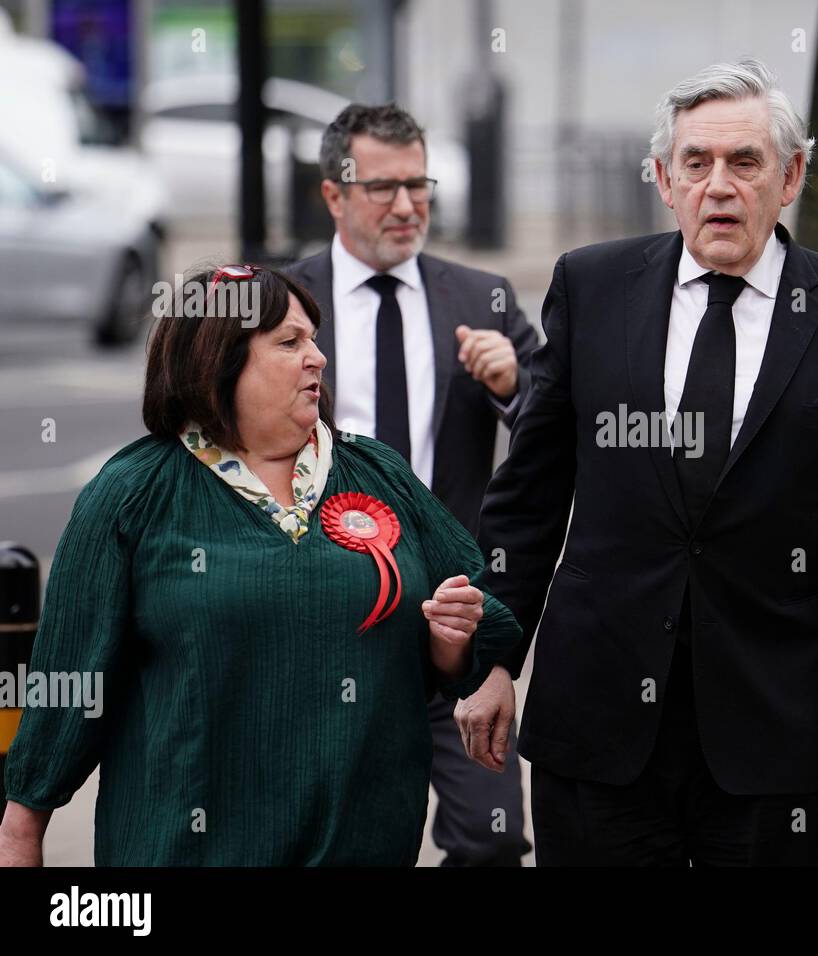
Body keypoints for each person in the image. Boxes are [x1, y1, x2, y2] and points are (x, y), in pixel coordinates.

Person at [460, 58, 818, 866]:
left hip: (771, 730)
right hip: (598, 723)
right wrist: (494, 659)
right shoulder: (591, 287)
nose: (719, 186)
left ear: (792, 176)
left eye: (745, 163)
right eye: (695, 164)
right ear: (663, 180)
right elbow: (529, 498)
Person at [0, 265, 520, 866]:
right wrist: (22, 828)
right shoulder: (133, 493)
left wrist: (457, 643)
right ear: (219, 360)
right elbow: (70, 676)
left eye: (315, 339)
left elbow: (474, 622)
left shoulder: (378, 472)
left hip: (363, 845)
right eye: (290, 342)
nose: (318, 358)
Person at [285, 104, 538, 866]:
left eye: (418, 185)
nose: (406, 206)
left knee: (490, 841)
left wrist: (514, 383)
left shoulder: (481, 296)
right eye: (382, 188)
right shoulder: (282, 303)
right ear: (334, 195)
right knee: (326, 842)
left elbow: (557, 436)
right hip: (326, 616)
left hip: (450, 617)